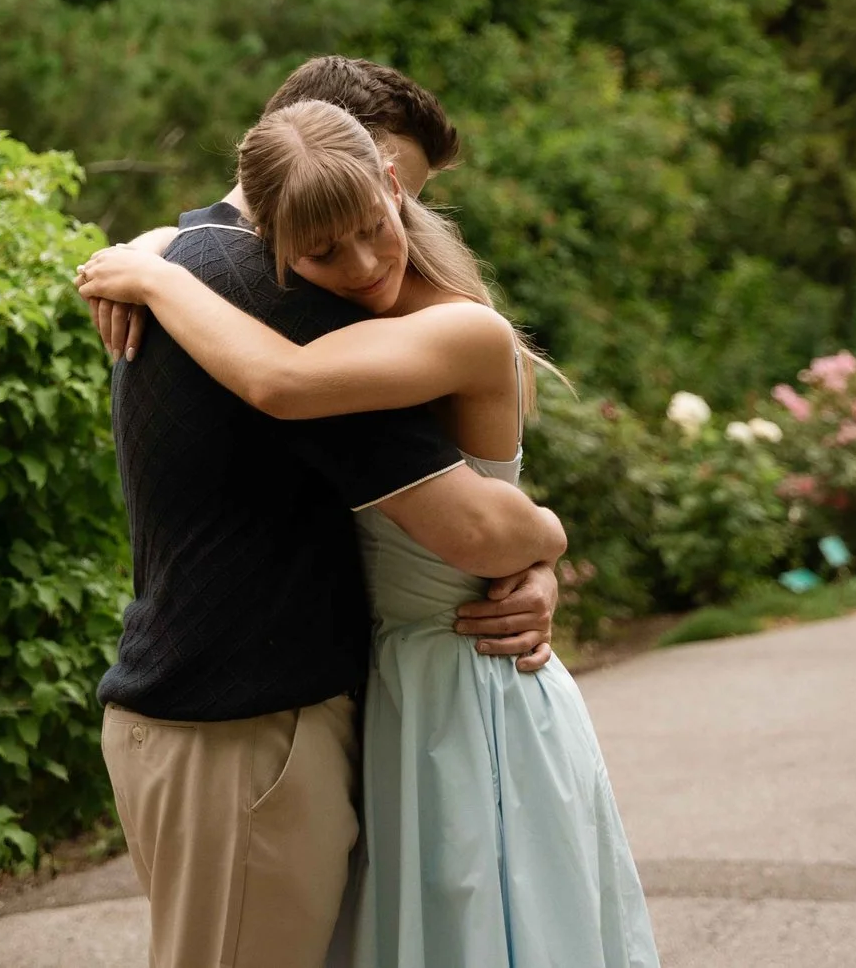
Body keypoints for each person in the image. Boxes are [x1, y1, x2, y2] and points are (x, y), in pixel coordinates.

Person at [78, 100, 661, 968]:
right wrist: (167, 248)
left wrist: (547, 539)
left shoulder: (432, 326)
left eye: (371, 226)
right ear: (266, 232)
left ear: (393, 188)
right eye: (320, 247)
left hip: (452, 688)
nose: (357, 264)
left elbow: (291, 387)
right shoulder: (272, 297)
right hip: (348, 702)